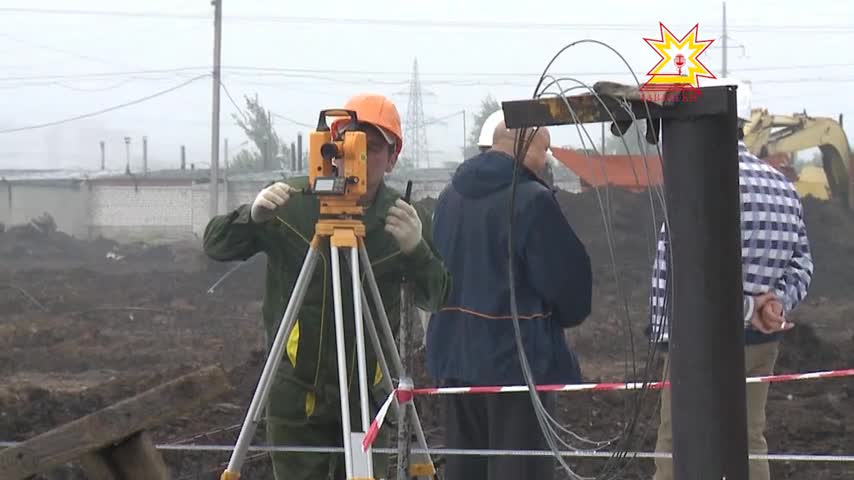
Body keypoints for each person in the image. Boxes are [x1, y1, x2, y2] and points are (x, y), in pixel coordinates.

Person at [203, 93, 451, 480]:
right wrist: (252, 217)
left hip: (369, 401)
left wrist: (417, 250)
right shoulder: (293, 203)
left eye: (371, 148)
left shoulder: (402, 218)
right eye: (351, 144)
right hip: (298, 400)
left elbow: (437, 295)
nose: (359, 158)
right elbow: (215, 244)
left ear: (392, 157)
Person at [648, 78, 814, 480]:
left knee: (677, 443)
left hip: (695, 340)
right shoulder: (782, 188)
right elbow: (802, 263)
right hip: (759, 341)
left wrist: (740, 308)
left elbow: (688, 273)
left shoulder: (696, 183)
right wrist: (774, 305)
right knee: (749, 439)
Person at [427, 116, 593, 480]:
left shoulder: (448, 197)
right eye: (544, 148)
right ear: (522, 145)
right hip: (517, 368)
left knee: (466, 469)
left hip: (455, 363)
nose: (547, 160)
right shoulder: (532, 201)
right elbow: (571, 293)